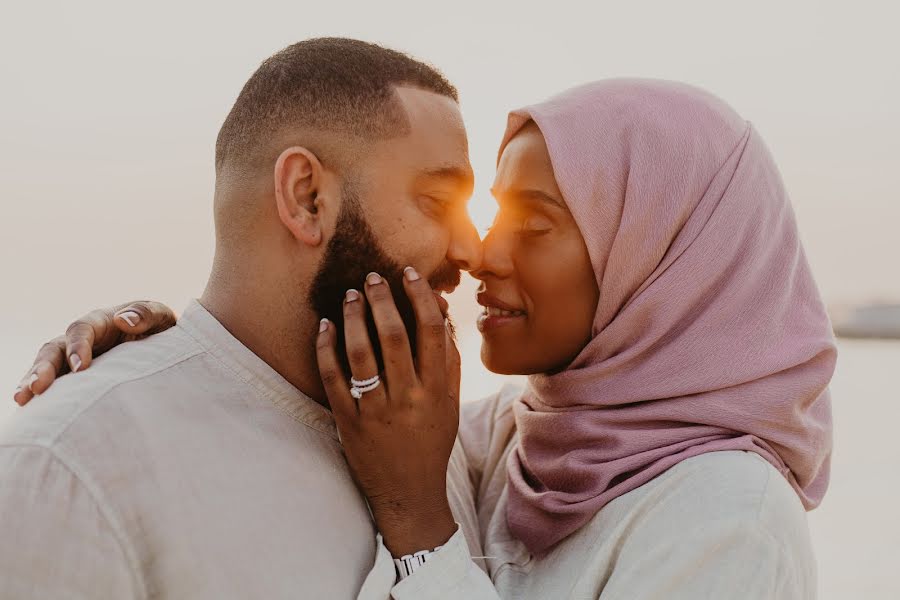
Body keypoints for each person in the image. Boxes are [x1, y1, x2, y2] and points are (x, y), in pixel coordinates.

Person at [14, 79, 835, 599]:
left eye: (536, 224)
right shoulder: (525, 438)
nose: (482, 252)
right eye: (487, 214)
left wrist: (419, 533)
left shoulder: (728, 517)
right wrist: (173, 350)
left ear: (660, 263)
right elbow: (253, 374)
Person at [0, 37, 488, 598]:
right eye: (437, 201)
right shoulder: (70, 470)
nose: (471, 251)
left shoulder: (445, 450)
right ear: (306, 198)